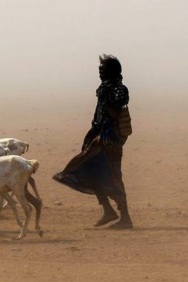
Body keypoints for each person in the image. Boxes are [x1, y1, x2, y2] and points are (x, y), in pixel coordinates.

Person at [53, 54, 133, 229]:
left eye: (102, 70)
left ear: (110, 72)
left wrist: (105, 102)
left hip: (110, 138)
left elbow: (115, 113)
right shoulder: (104, 88)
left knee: (112, 174)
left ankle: (125, 217)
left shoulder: (118, 90)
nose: (99, 74)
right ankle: (108, 210)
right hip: (100, 134)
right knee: (93, 172)